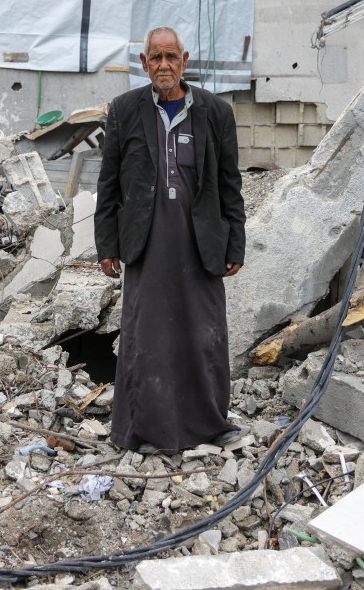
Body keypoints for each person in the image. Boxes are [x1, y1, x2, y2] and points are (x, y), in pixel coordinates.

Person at [95, 25, 246, 453]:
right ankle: (144, 431)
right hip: (146, 243)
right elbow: (109, 184)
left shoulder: (216, 112)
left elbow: (229, 184)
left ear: (184, 61)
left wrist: (235, 243)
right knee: (147, 337)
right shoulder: (125, 110)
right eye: (156, 58)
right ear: (144, 63)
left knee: (204, 335)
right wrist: (108, 245)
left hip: (201, 244)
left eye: (171, 57)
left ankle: (212, 424)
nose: (164, 65)